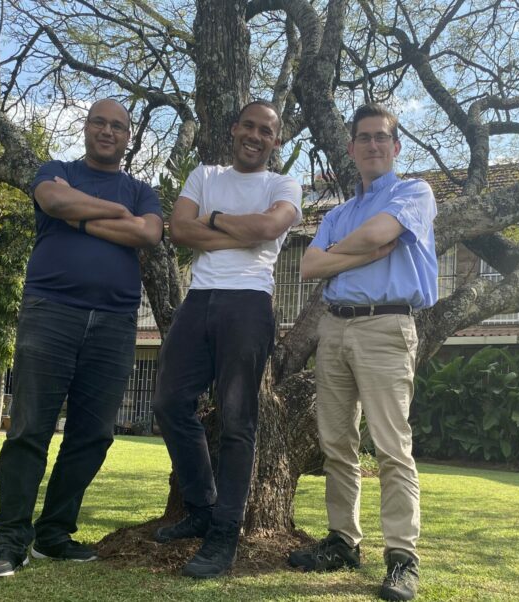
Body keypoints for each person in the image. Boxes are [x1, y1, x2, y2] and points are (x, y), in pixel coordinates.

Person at [0, 99, 163, 578]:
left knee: (93, 434)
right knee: (29, 430)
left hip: (115, 322)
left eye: (118, 126)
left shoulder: (143, 191)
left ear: (129, 137)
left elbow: (147, 234)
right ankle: (10, 542)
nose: (108, 131)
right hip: (50, 312)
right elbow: (54, 200)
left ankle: (54, 534)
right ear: (86, 128)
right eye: (99, 122)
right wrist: (111, 211)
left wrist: (80, 218)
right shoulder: (56, 170)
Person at [290, 103, 437, 601]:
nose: (373, 145)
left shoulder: (414, 192)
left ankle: (402, 557)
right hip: (334, 329)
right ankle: (343, 541)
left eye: (382, 137)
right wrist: (360, 254)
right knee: (336, 444)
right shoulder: (336, 212)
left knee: (391, 446)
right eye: (364, 138)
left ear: (395, 148)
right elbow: (309, 266)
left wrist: (339, 256)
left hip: (387, 325)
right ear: (351, 149)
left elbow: (381, 233)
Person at [151, 100, 303, 579]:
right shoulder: (204, 174)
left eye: (267, 131)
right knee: (170, 404)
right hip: (199, 301)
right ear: (234, 128)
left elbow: (267, 228)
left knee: (238, 420)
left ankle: (224, 532)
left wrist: (210, 222)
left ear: (276, 141)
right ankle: (200, 505)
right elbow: (177, 230)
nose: (256, 136)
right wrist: (240, 230)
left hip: (248, 303)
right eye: (249, 126)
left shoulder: (282, 185)